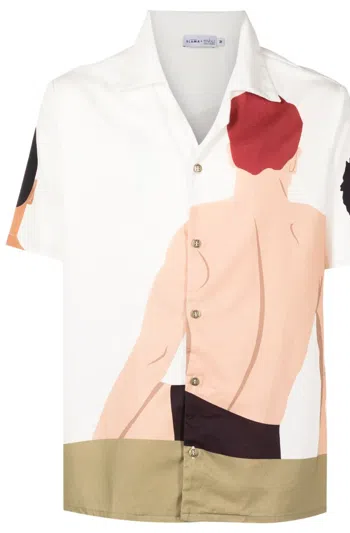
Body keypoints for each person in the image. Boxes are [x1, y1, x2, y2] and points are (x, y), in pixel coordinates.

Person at [93, 92, 326, 459]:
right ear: (295, 158)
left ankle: (96, 459)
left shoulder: (201, 229)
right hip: (262, 441)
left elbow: (152, 354)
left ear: (230, 154)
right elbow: (330, 363)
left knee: (138, 400)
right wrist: (325, 462)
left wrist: (97, 452)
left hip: (192, 427)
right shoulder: (314, 228)